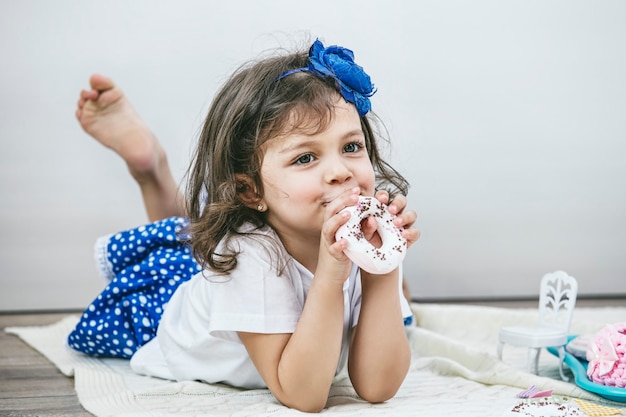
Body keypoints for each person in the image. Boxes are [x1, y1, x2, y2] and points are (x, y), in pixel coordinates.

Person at [69, 38, 420, 412]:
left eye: (351, 147)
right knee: (187, 246)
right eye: (305, 157)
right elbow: (304, 394)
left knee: (404, 307)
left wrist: (384, 268)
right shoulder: (249, 256)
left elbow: (377, 386)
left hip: (253, 270)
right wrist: (331, 277)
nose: (339, 172)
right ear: (250, 191)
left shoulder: (363, 234)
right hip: (173, 309)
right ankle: (151, 171)